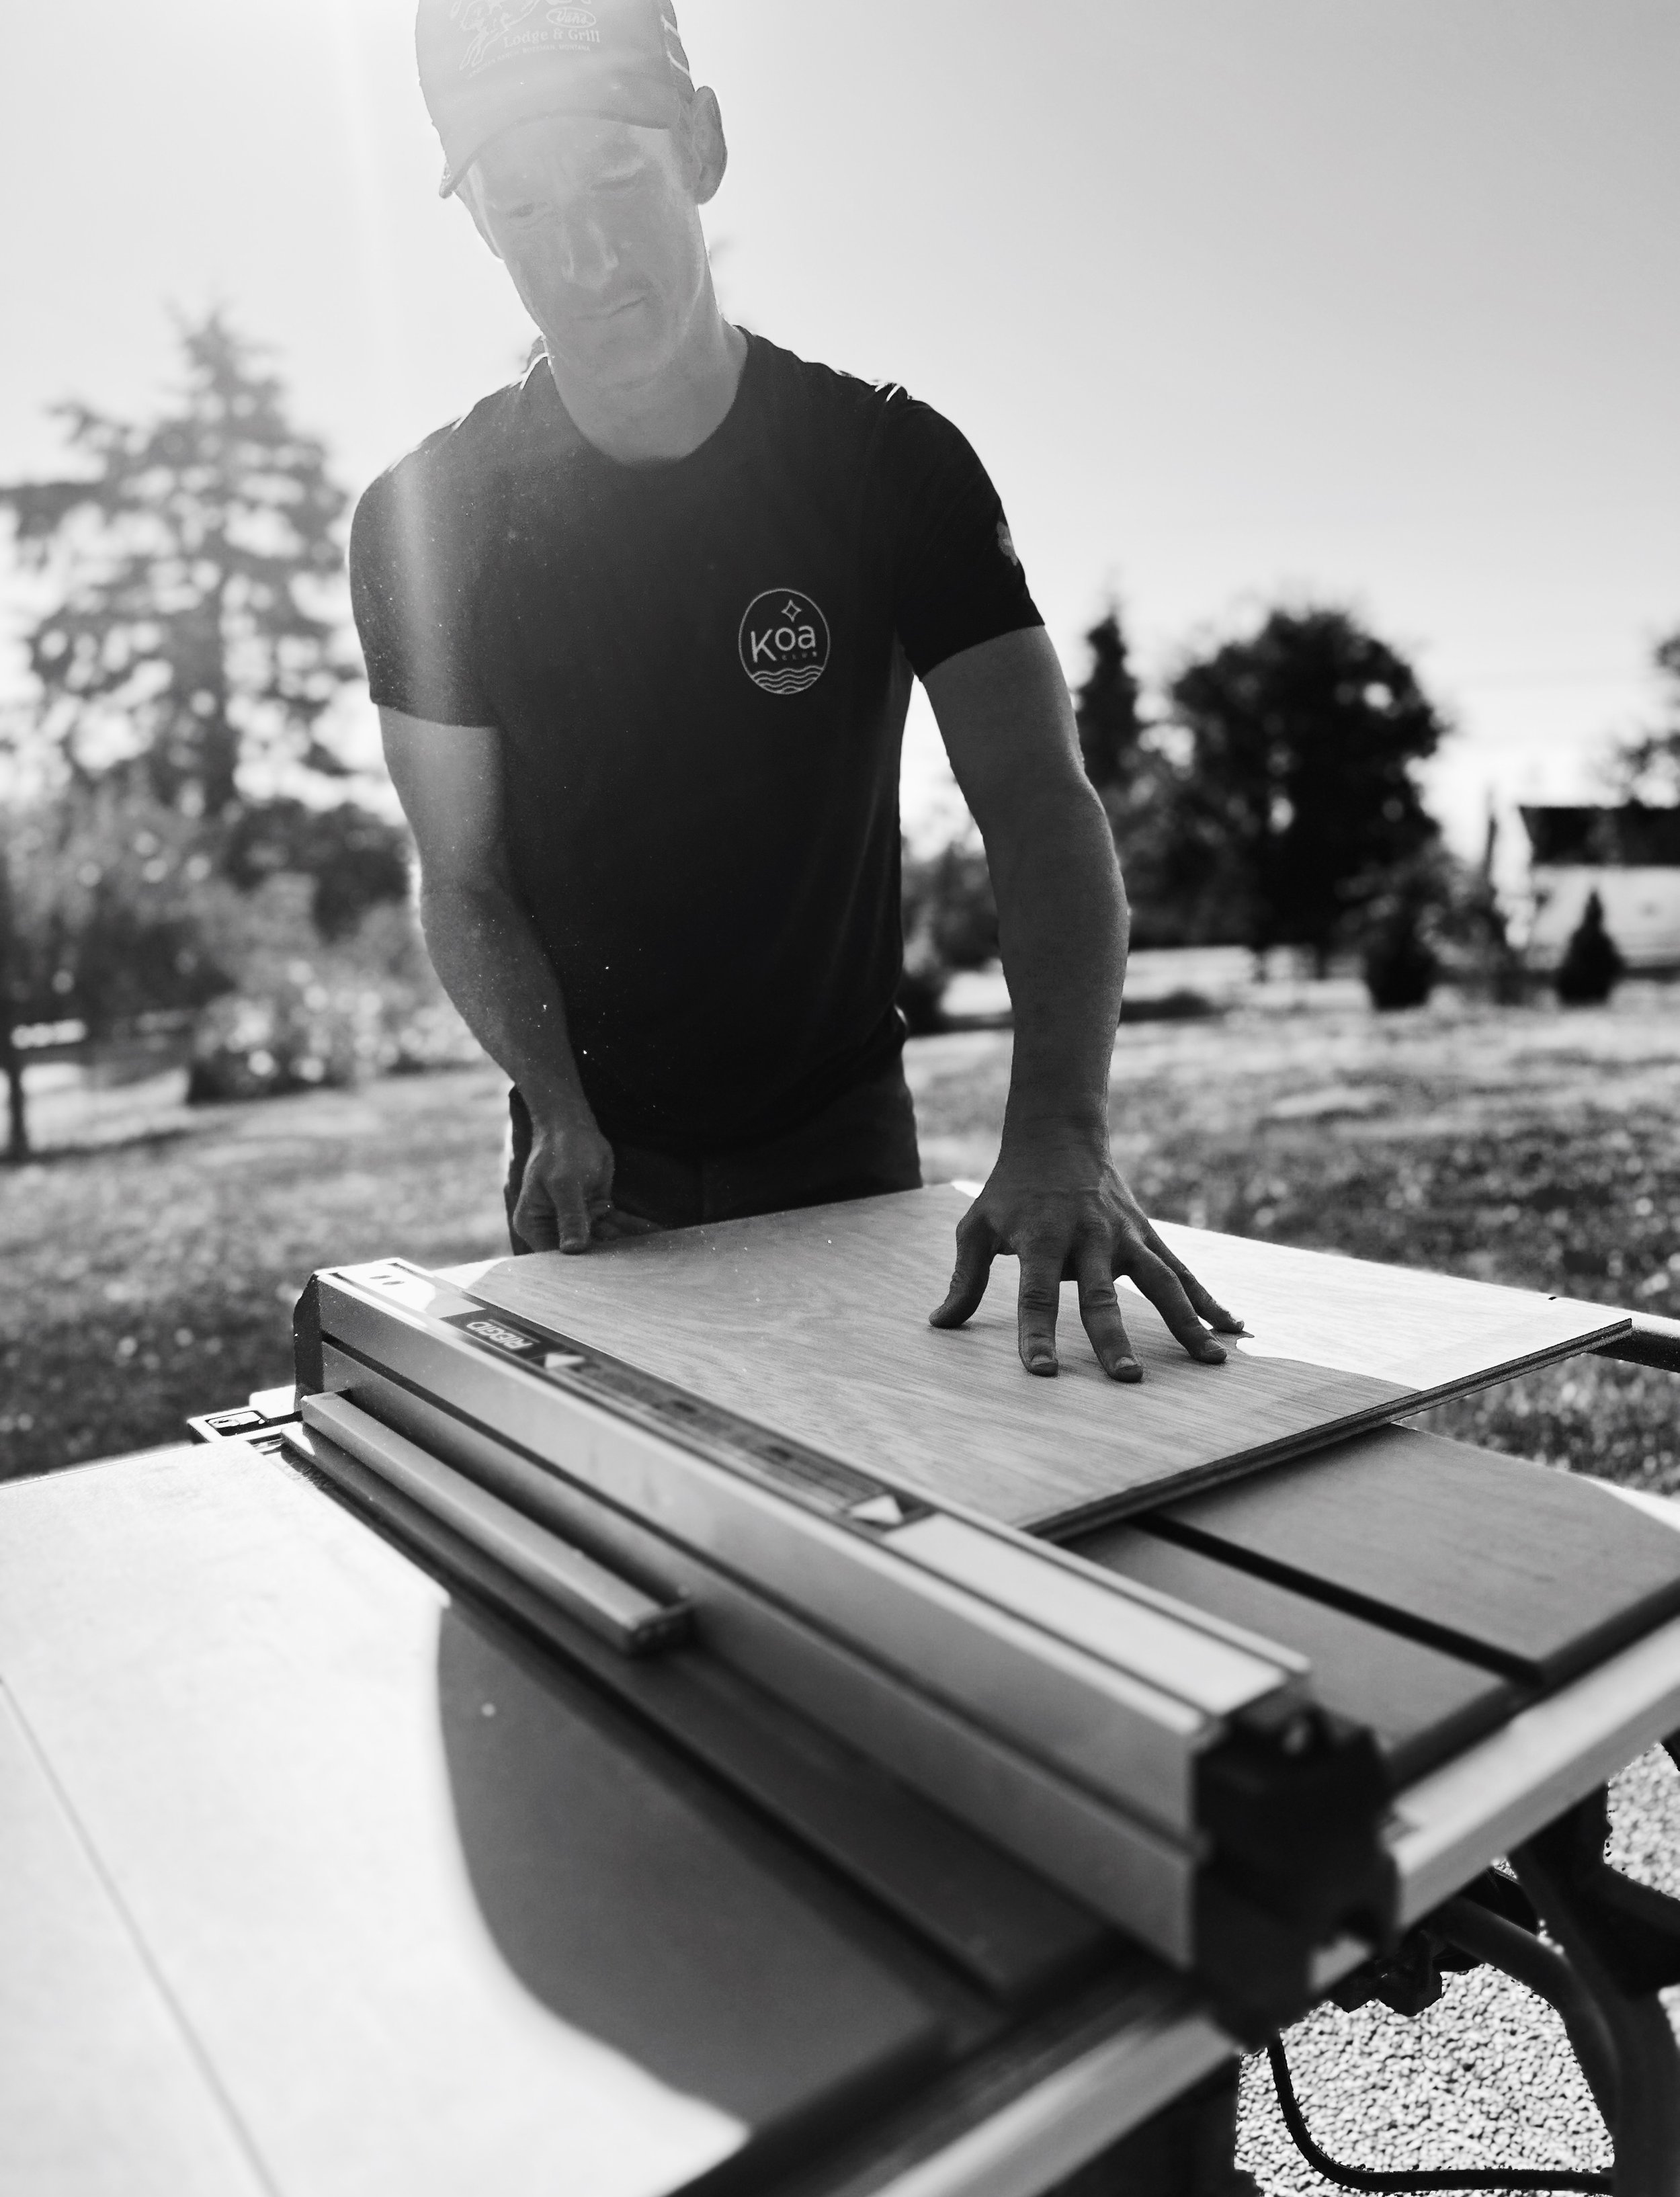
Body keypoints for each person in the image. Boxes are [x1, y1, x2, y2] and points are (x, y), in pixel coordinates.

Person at [349, 0, 1243, 1384]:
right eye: (522, 206)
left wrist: (1058, 1128)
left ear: (701, 146)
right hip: (594, 1157)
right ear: (476, 225)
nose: (579, 254)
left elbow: (1033, 801)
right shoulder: (426, 518)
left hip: (841, 1140)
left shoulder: (889, 468)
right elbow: (461, 876)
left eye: (614, 176)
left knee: (883, 1510)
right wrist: (558, 1102)